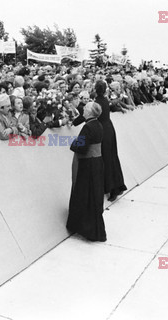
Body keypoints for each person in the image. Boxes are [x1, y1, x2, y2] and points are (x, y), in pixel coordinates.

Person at [66, 102, 106, 242]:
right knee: (94, 195)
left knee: (84, 195)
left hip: (87, 165)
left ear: (90, 112)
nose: (83, 110)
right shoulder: (99, 124)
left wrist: (73, 144)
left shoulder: (87, 127)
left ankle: (85, 228)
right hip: (97, 163)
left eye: (85, 109)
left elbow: (82, 147)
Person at [94, 81, 127, 201]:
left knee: (106, 160)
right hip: (109, 129)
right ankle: (118, 185)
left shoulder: (97, 102)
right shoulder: (104, 100)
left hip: (103, 132)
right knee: (112, 157)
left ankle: (113, 189)